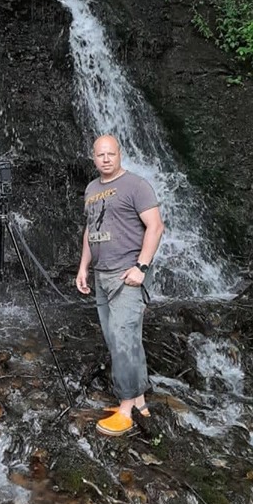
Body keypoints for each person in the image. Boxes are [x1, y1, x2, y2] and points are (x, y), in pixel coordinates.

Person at [76, 134, 164, 437]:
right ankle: (139, 400)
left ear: (120, 154)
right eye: (100, 155)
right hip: (102, 274)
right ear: (93, 157)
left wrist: (142, 267)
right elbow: (90, 229)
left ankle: (125, 409)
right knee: (119, 340)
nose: (106, 159)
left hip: (128, 275)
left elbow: (156, 225)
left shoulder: (136, 185)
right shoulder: (91, 189)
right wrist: (83, 267)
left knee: (123, 335)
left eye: (110, 154)